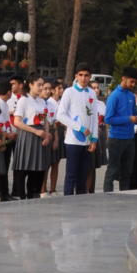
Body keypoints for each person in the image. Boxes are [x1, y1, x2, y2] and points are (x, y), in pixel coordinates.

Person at [56, 68, 99, 197]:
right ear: (76, 76)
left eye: (86, 75)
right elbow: (60, 115)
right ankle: (68, 201)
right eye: (80, 75)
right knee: (71, 174)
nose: (83, 78)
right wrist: (78, 127)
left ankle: (81, 202)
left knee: (83, 174)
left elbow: (94, 117)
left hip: (87, 141)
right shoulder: (69, 92)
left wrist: (94, 139)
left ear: (90, 77)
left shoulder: (92, 93)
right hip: (73, 141)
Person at [9, 79, 49, 200]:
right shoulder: (23, 100)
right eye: (39, 85)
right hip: (28, 134)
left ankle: (34, 193)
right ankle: (21, 195)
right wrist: (36, 131)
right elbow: (17, 121)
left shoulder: (42, 101)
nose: (41, 88)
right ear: (31, 85)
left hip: (40, 135)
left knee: (38, 168)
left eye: (42, 85)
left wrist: (46, 134)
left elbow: (45, 120)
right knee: (25, 165)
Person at [101, 71, 137, 193]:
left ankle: (125, 196)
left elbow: (134, 115)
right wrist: (128, 118)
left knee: (127, 172)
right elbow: (108, 119)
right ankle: (108, 197)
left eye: (135, 82)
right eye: (131, 81)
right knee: (112, 170)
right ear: (123, 78)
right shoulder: (114, 96)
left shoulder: (132, 96)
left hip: (129, 139)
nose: (133, 84)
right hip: (116, 139)